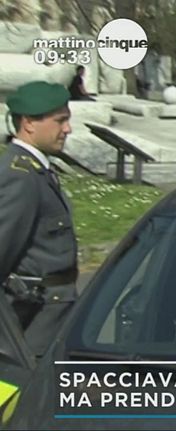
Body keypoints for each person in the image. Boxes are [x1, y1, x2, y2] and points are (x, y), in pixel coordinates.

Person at [0, 81, 78, 356]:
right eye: (60, 121)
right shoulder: (20, 177)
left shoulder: (38, 171)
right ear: (29, 123)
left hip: (52, 317)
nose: (67, 129)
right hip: (33, 323)